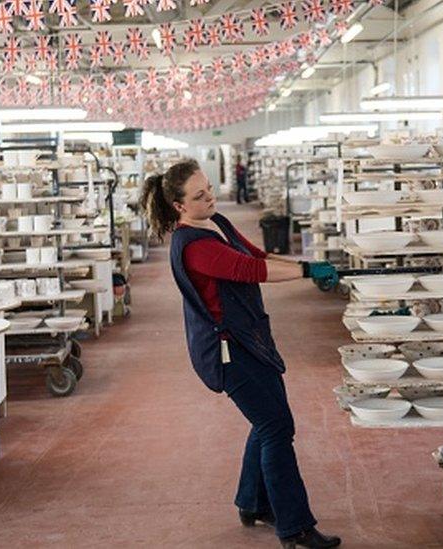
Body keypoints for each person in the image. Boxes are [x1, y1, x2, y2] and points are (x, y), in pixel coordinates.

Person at [142, 159, 339, 549]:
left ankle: (253, 502)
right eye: (200, 196)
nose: (210, 197)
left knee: (268, 422)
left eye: (210, 188)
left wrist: (307, 264)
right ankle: (295, 528)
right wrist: (306, 275)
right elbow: (249, 271)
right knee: (276, 426)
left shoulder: (217, 223)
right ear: (179, 206)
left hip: (249, 339)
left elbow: (259, 257)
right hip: (228, 351)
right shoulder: (193, 245)